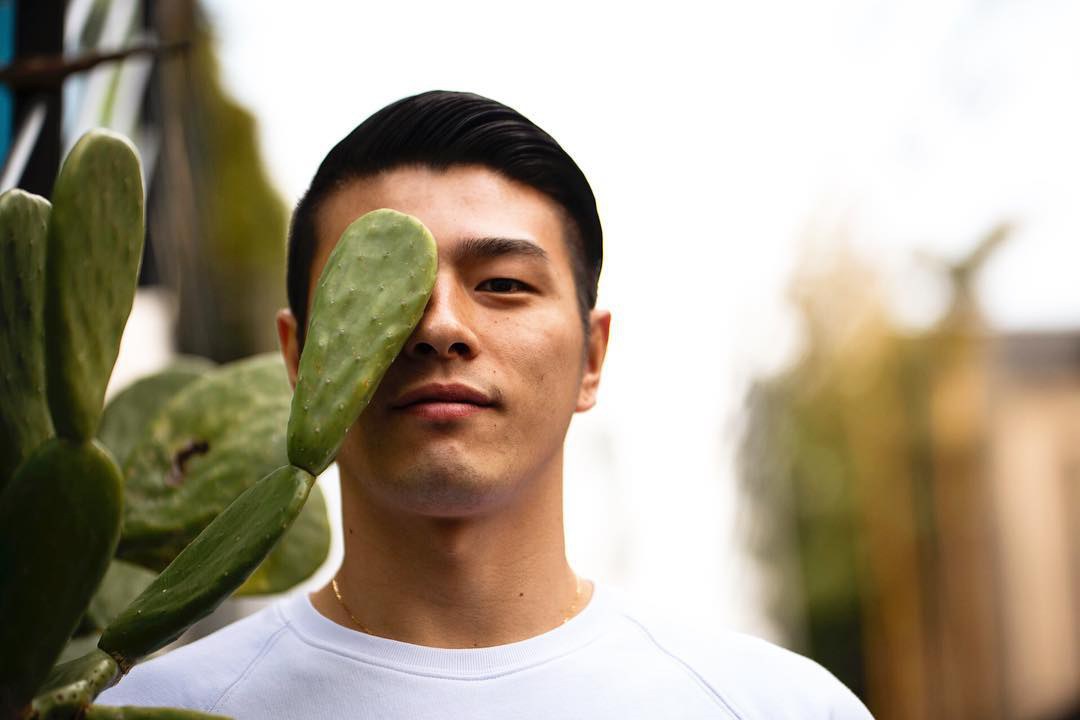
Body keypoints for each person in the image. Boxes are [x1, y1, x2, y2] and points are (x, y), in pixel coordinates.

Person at [99, 90, 872, 719]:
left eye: (502, 283)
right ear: (299, 359)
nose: (439, 327)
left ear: (591, 357)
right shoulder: (155, 709)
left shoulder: (776, 707)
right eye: (381, 293)